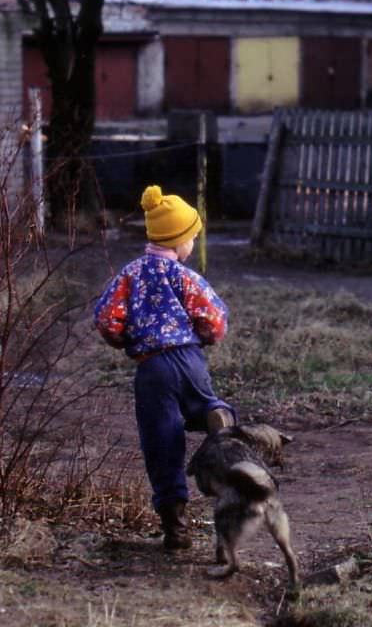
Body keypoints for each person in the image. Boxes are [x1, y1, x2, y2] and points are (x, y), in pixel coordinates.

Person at [94, 184, 236, 551]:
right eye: (193, 238)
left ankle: (176, 528)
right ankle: (214, 412)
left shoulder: (129, 274)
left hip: (151, 367)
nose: (193, 244)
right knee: (199, 403)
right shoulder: (186, 277)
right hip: (189, 359)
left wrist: (123, 341)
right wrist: (204, 337)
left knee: (162, 442)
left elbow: (107, 319)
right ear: (180, 240)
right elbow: (214, 320)